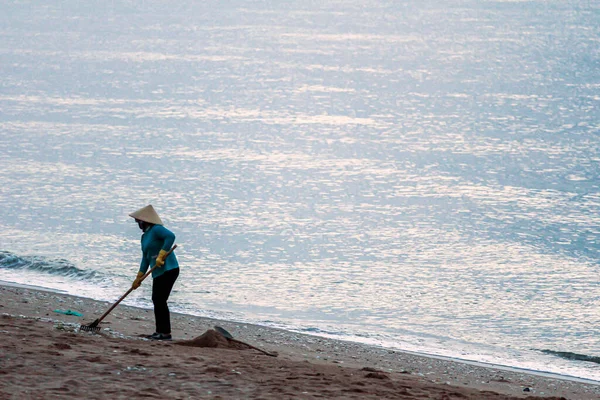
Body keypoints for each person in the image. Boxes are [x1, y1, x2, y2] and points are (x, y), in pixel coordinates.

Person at [129, 204, 179, 341]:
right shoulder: (144, 237)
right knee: (156, 300)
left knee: (160, 299)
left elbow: (170, 237)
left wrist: (162, 254)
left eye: (138, 221)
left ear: (144, 221)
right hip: (157, 272)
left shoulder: (157, 229)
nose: (137, 223)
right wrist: (138, 277)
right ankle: (159, 332)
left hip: (169, 269)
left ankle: (165, 333)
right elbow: (145, 258)